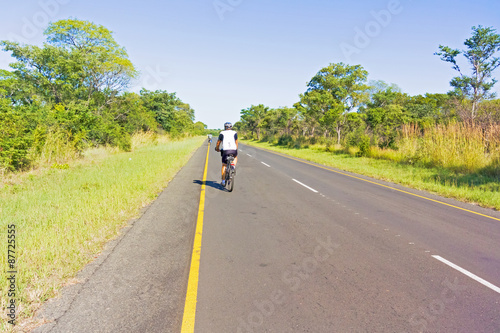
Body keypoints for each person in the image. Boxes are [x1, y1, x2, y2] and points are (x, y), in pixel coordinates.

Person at [215, 122, 238, 186]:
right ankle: (233, 166)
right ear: (231, 127)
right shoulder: (234, 133)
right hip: (233, 150)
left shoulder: (222, 133)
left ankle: (223, 181)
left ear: (225, 127)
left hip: (225, 150)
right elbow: (236, 141)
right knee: (235, 157)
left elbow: (218, 142)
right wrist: (236, 149)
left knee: (224, 165)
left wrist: (217, 148)